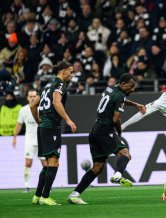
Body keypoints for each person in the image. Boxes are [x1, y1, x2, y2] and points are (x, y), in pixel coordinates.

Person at [67, 74, 146, 205]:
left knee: (97, 168)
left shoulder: (110, 89)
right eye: (131, 87)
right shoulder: (120, 96)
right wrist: (119, 133)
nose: (133, 90)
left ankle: (74, 194)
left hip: (95, 130)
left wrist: (135, 104)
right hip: (105, 131)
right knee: (125, 154)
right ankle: (117, 175)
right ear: (123, 84)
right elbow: (116, 119)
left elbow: (118, 100)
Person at [30, 61, 77, 206]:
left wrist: (40, 121)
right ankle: (46, 196)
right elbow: (57, 102)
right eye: (70, 71)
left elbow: (32, 105)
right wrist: (68, 120)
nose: (72, 74)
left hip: (43, 127)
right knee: (54, 163)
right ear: (63, 71)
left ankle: (37, 196)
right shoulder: (60, 85)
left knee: (47, 164)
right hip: (52, 127)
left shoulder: (47, 86)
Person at [13, 90, 48, 193]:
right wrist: (14, 137)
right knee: (28, 163)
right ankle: (27, 186)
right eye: (30, 96)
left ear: (37, 97)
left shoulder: (42, 109)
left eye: (34, 96)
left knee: (45, 164)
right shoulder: (23, 110)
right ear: (27, 98)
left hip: (41, 140)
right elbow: (19, 124)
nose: (32, 98)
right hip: (29, 140)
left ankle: (46, 187)